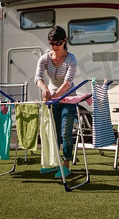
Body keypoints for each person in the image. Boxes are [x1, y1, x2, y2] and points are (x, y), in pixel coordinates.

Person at [34, 26, 77, 178]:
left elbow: (68, 83)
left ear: (64, 41)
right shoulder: (45, 58)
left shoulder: (71, 59)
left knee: (65, 133)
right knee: (53, 133)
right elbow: (37, 78)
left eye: (57, 43)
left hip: (68, 99)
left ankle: (66, 166)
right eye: (51, 43)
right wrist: (44, 89)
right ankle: (55, 163)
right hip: (53, 98)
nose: (54, 47)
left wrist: (54, 96)